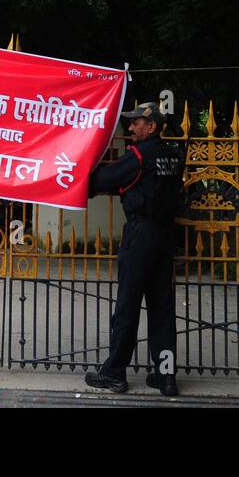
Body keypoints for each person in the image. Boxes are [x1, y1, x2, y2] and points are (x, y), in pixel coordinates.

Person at [84, 101, 184, 396]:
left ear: (151, 126)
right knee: (162, 307)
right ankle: (166, 376)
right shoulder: (174, 155)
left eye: (136, 122)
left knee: (127, 305)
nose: (130, 127)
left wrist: (83, 173)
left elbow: (103, 180)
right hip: (166, 237)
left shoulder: (139, 155)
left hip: (141, 236)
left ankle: (114, 373)